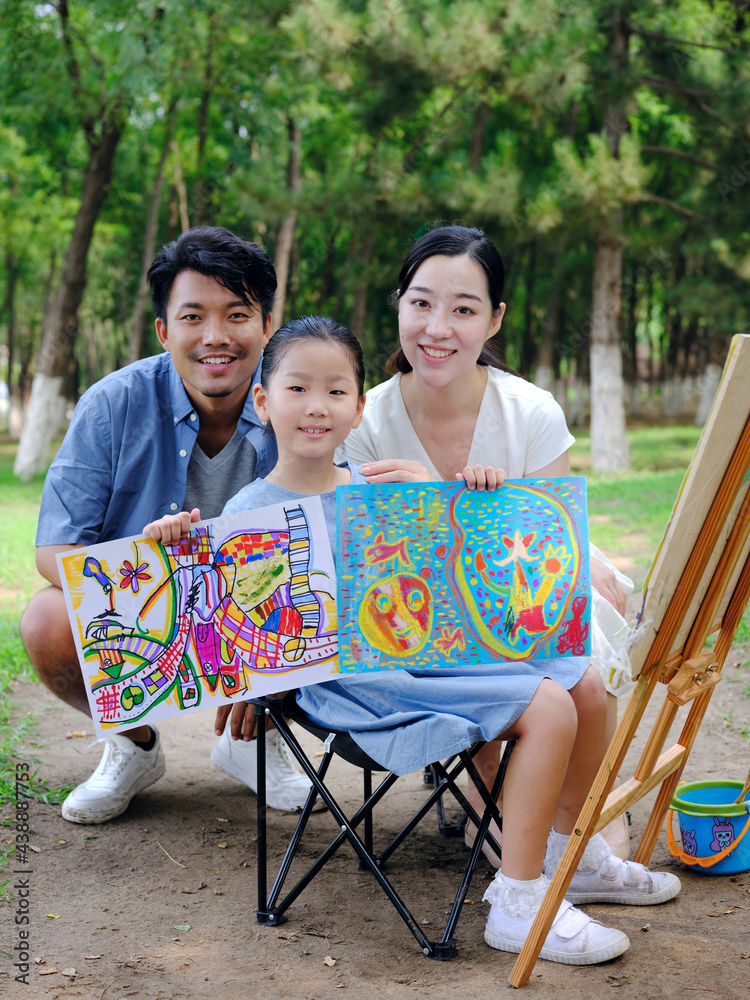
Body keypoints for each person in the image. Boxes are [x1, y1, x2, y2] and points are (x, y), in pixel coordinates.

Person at [146, 315, 680, 967]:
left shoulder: (383, 488)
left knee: (558, 696)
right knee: (548, 703)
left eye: (337, 391)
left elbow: (455, 592)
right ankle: (526, 897)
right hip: (342, 691)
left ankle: (532, 886)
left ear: (360, 406)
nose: (318, 407)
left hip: (417, 665)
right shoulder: (246, 514)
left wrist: (465, 501)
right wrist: (172, 547)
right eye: (298, 389)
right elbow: (229, 636)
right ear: (263, 401)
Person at [338, 224, 636, 862]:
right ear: (398, 305)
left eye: (464, 309)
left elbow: (544, 553)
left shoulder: (531, 412)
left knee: (586, 676)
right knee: (492, 674)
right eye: (420, 303)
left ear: (494, 319)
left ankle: (568, 837)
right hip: (417, 625)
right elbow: (378, 575)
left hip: (518, 606)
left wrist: (455, 506)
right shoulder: (363, 420)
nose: (437, 327)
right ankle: (501, 808)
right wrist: (439, 504)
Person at [19, 226, 320, 822]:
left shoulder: (305, 399)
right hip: (145, 601)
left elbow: (339, 537)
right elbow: (55, 549)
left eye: (237, 314)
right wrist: (147, 559)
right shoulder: (112, 403)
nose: (215, 337)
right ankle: (134, 745)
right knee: (48, 618)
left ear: (266, 324)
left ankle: (256, 739)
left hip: (266, 604)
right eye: (192, 317)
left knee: (324, 591)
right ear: (164, 329)